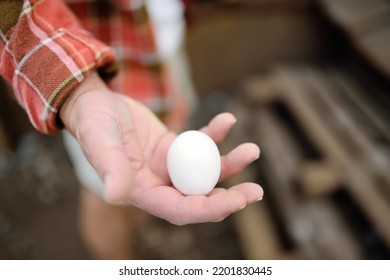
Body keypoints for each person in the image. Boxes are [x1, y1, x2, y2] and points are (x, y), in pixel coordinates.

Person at [0, 0, 263, 259]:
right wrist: (80, 93)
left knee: (160, 152)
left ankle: (138, 215)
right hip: (94, 65)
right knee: (108, 193)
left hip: (163, 44)